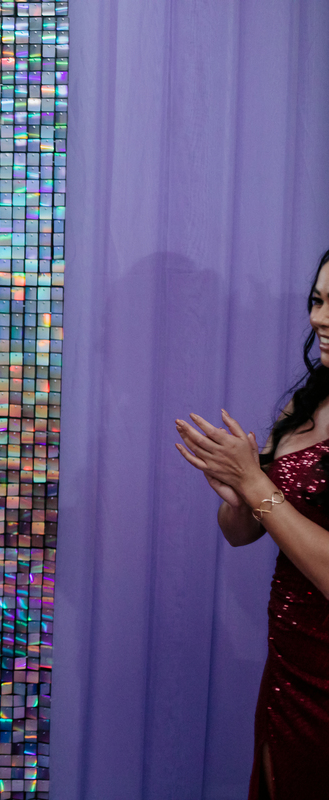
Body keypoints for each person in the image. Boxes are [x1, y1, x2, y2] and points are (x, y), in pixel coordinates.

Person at [177, 248, 329, 799]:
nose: (318, 318)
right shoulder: (308, 403)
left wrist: (255, 483)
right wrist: (238, 495)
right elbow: (241, 533)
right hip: (290, 659)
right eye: (317, 300)